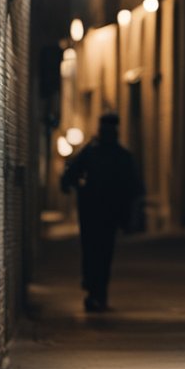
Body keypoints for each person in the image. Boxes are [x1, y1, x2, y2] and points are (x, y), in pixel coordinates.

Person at [60, 112, 142, 313]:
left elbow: (131, 187)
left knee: (96, 252)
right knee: (100, 253)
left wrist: (76, 186)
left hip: (97, 211)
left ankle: (95, 291)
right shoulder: (114, 154)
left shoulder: (95, 152)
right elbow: (133, 187)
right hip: (101, 211)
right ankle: (96, 291)